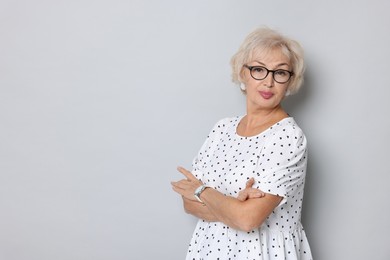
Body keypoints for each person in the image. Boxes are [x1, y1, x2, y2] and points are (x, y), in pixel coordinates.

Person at [171, 27, 313, 260]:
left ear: (290, 81)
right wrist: (233, 207)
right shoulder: (222, 129)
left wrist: (202, 191)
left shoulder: (287, 137)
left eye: (280, 73)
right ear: (242, 73)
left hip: (261, 253)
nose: (268, 82)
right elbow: (189, 205)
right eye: (258, 69)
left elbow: (247, 220)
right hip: (210, 249)